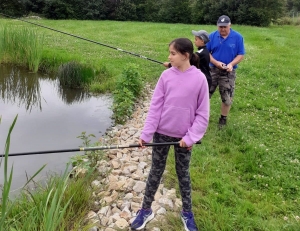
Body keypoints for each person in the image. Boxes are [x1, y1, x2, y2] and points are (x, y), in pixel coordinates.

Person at [131, 38, 210, 231]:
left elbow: (203, 114)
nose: (169, 57)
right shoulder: (165, 76)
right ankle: (145, 210)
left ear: (185, 56)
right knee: (155, 172)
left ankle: (187, 213)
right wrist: (146, 134)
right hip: (161, 134)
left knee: (183, 174)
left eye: (173, 53)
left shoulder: (200, 79)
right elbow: (155, 108)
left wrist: (190, 138)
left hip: (184, 139)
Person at [206, 15, 245, 127]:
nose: (222, 29)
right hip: (212, 69)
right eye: (220, 27)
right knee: (205, 93)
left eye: (225, 27)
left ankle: (223, 118)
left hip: (228, 71)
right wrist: (216, 62)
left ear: (230, 25)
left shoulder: (237, 37)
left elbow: (241, 54)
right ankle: (203, 116)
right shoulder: (212, 36)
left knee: (227, 96)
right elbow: (207, 53)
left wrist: (231, 64)